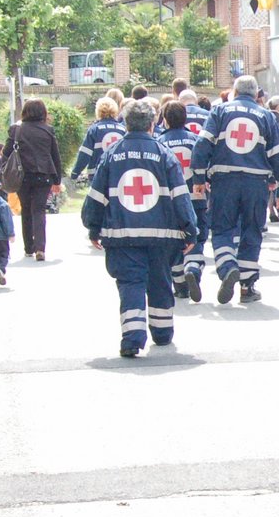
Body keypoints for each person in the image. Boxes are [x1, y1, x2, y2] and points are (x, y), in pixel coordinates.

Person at [81, 99, 199, 358]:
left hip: (123, 237)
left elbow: (97, 196)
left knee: (130, 283)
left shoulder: (111, 155)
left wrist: (92, 226)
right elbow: (180, 195)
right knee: (160, 280)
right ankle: (162, 332)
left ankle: (132, 338)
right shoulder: (164, 154)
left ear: (125, 123)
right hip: (162, 237)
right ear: (152, 123)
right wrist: (190, 228)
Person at [191, 75, 279, 304]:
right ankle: (247, 287)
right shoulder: (266, 116)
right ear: (256, 95)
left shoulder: (220, 112)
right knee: (252, 230)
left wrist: (198, 176)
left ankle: (227, 268)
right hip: (257, 183)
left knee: (222, 227)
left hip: (224, 179)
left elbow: (202, 144)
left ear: (234, 93)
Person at [157, 101, 209, 302]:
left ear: (165, 120)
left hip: (169, 202)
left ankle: (180, 282)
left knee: (174, 241)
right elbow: (205, 169)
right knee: (197, 237)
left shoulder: (159, 144)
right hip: (196, 198)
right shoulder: (196, 141)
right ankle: (193, 268)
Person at [1, 98, 65, 262]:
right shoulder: (48, 130)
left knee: (26, 209)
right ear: (43, 113)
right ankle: (40, 248)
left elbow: (6, 153)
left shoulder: (16, 130)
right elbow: (55, 156)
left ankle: (29, 247)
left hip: (22, 176)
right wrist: (57, 180)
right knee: (39, 210)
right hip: (43, 176)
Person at [71, 98, 125, 181]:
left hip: (97, 175)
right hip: (118, 174)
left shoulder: (94, 130)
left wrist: (75, 173)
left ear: (98, 111)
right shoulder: (123, 129)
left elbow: (85, 154)